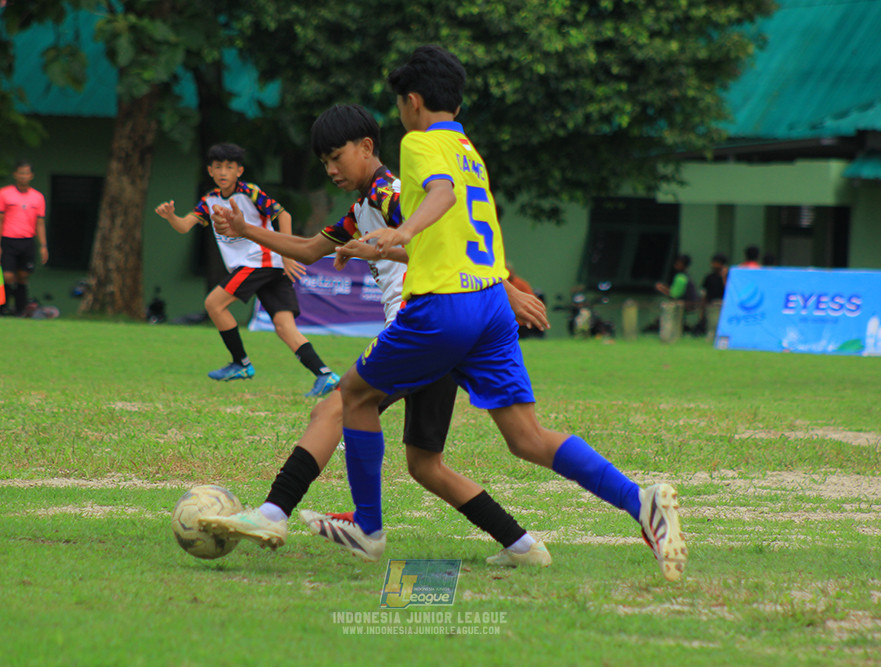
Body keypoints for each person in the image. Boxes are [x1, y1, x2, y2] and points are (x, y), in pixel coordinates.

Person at [302, 46, 687, 582]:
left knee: (354, 395)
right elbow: (461, 224)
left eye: (399, 105)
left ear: (412, 102)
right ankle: (638, 501)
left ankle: (367, 528)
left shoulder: (418, 144)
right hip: (488, 305)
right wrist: (386, 247)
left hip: (443, 307)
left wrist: (403, 230)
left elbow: (440, 195)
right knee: (527, 438)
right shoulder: (466, 147)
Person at [198, 104, 552, 566]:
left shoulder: (392, 193)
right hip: (436, 335)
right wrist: (247, 229)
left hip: (422, 326)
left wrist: (505, 288)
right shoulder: (363, 207)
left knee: (337, 405)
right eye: (323, 162)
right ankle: (522, 546)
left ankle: (273, 511)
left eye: (336, 157)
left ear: (366, 147)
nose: (330, 169)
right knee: (426, 465)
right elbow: (308, 248)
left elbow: (447, 240)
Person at [155, 143, 339, 396]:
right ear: (210, 170)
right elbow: (185, 225)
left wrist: (287, 253)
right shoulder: (209, 200)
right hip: (268, 266)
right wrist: (171, 217)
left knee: (213, 304)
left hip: (260, 261)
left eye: (229, 167)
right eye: (218, 167)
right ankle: (325, 375)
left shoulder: (250, 192)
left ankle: (241, 363)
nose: (223, 172)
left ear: (239, 171)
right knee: (285, 327)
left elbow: (282, 215)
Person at [0, 161, 48, 316]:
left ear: (31, 176)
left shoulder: (38, 197)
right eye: (21, 173)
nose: (23, 176)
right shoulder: (4, 194)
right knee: (8, 275)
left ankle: (20, 310)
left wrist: (43, 245)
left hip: (27, 241)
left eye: (26, 173)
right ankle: (2, 308)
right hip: (9, 240)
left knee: (23, 276)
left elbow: (40, 223)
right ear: (15, 175)